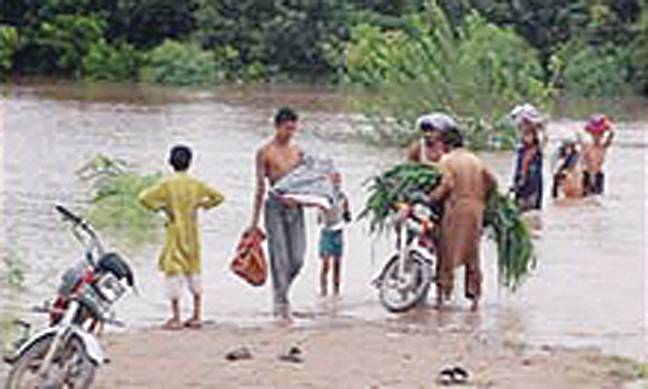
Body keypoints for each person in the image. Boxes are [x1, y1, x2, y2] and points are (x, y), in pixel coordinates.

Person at [139, 145, 225, 330]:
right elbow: (218, 197)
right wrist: (202, 205)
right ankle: (197, 315)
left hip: (175, 232)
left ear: (171, 162)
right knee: (194, 270)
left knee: (174, 272)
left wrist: (161, 208)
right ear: (190, 162)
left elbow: (144, 198)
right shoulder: (195, 184)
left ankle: (176, 317)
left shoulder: (167, 184)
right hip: (192, 234)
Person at [430, 124, 497, 312]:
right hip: (476, 209)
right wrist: (483, 198)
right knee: (472, 253)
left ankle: (443, 295)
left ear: (446, 144)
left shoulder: (447, 160)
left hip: (457, 206)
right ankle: (474, 298)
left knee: (446, 250)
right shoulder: (475, 160)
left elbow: (448, 183)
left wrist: (431, 198)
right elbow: (492, 182)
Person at [249, 107, 305, 319]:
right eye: (287, 128)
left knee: (297, 258)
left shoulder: (298, 152)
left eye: (293, 129)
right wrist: (254, 223)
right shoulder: (265, 152)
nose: (290, 133)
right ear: (277, 126)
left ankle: (282, 292)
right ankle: (281, 301)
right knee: (279, 257)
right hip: (274, 206)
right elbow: (260, 187)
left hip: (296, 206)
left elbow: (306, 181)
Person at [317, 172, 351, 297]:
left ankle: (336, 293)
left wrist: (346, 215)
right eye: (334, 181)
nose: (336, 183)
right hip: (326, 232)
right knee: (326, 263)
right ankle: (323, 293)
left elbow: (347, 214)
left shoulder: (343, 197)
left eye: (338, 181)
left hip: (338, 232)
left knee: (337, 264)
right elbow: (320, 216)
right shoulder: (323, 197)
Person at [509, 104, 548, 212]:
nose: (524, 136)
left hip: (533, 188)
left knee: (532, 212)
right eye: (523, 134)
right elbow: (520, 169)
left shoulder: (536, 150)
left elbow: (545, 139)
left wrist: (542, 128)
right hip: (521, 187)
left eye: (527, 134)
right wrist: (516, 183)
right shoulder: (521, 151)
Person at [580, 114, 614, 196]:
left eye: (599, 134)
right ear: (591, 134)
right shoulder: (586, 146)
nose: (597, 136)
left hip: (598, 175)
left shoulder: (603, 147)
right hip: (587, 174)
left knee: (597, 196)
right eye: (594, 134)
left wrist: (610, 131)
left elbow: (610, 137)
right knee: (586, 196)